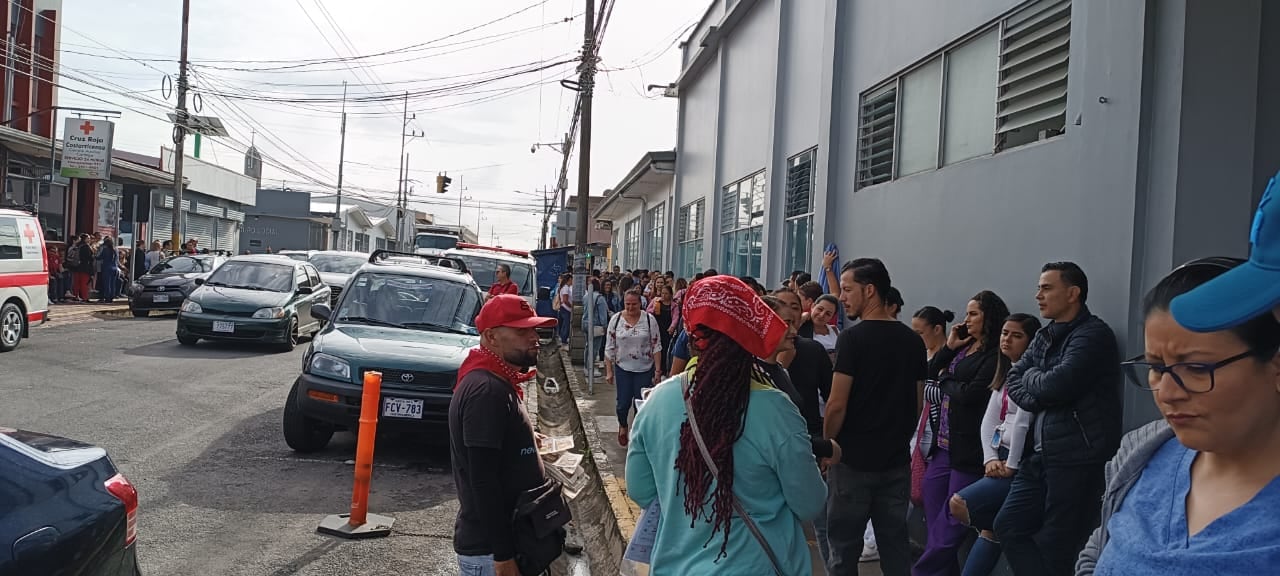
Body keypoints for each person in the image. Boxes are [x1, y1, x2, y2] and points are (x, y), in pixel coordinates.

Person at [1075, 257, 1280, 575]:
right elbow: (1098, 554)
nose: (1167, 393)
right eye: (1157, 368)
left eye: (1197, 368)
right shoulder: (1142, 455)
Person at [625, 275, 829, 575]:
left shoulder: (658, 403)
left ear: (691, 333)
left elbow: (641, 490)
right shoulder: (777, 410)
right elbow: (810, 503)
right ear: (750, 332)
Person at [995, 262, 1121, 576]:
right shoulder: (1045, 335)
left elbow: (1056, 385)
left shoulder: (1093, 335)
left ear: (1073, 293)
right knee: (1008, 525)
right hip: (1040, 457)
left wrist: (1035, 380)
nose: (1038, 295)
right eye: (1039, 287)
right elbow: (1015, 381)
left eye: (1047, 288)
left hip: (1076, 456)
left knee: (1058, 543)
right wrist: (1040, 385)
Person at [824, 258, 927, 576]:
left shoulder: (852, 340)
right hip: (896, 462)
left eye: (848, 289)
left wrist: (828, 448)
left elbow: (836, 404)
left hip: (852, 462)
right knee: (895, 546)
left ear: (870, 291)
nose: (842, 296)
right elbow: (919, 400)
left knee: (844, 549)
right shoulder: (913, 341)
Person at [448, 294, 559, 576]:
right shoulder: (486, 391)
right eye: (522, 331)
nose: (534, 337)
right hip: (493, 554)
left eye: (534, 329)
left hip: (514, 542)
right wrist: (504, 556)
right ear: (491, 337)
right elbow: (482, 481)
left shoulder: (498, 379)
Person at [914, 291, 1009, 576]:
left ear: (989, 317)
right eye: (967, 313)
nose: (966, 319)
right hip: (943, 443)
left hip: (968, 448)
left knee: (951, 521)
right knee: (931, 504)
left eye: (974, 314)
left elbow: (970, 395)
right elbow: (929, 371)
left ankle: (922, 571)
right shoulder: (963, 346)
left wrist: (945, 381)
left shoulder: (994, 355)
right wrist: (949, 348)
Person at [949, 313, 1041, 576]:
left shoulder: (1030, 374)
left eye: (1017, 335)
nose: (1007, 339)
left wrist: (1011, 465)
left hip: (1019, 462)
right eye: (1004, 333)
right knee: (993, 530)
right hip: (999, 456)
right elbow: (989, 421)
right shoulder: (1005, 370)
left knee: (960, 504)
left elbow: (1023, 422)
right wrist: (990, 457)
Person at [605, 289, 662, 447]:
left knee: (641, 404)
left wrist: (658, 371)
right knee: (622, 404)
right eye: (627, 304)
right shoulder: (616, 320)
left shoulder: (649, 320)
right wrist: (609, 371)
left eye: (634, 304)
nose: (630, 308)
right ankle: (623, 425)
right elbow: (609, 347)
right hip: (623, 368)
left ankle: (636, 433)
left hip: (644, 368)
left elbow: (656, 346)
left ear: (641, 304)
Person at [584, 277, 610, 378]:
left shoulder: (586, 296)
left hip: (585, 323)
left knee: (587, 346)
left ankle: (586, 367)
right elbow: (603, 315)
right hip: (596, 325)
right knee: (594, 348)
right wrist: (605, 326)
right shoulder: (600, 298)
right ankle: (590, 369)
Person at [96, 237, 119, 303]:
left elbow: (99, 257)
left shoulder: (105, 250)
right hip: (114, 268)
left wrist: (94, 256)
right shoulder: (116, 250)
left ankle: (107, 297)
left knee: (107, 283)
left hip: (107, 268)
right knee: (112, 283)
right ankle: (112, 296)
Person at [556, 273, 573, 344]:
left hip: (563, 308)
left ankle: (562, 337)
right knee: (566, 325)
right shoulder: (566, 288)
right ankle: (564, 339)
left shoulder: (563, 287)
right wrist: (571, 306)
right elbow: (565, 299)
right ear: (569, 280)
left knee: (563, 324)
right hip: (566, 308)